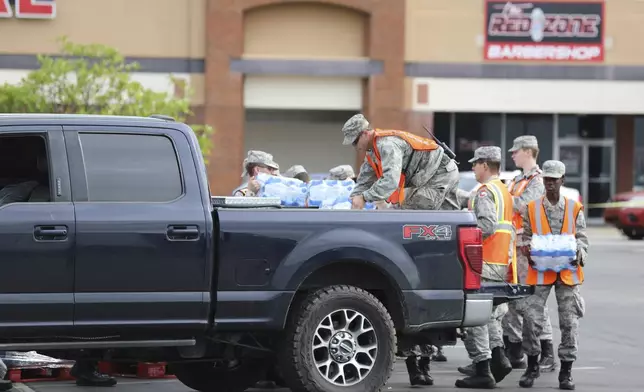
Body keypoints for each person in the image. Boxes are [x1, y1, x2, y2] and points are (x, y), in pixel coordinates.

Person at [517, 160, 588, 390]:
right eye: (546, 179)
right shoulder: (532, 208)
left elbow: (582, 238)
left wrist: (579, 252)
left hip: (567, 272)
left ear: (562, 181)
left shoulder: (574, 207)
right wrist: (527, 248)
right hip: (540, 271)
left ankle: (566, 372)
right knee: (530, 318)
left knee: (569, 322)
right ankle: (532, 365)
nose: (549, 184)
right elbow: (526, 236)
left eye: (554, 180)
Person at [455, 146, 513, 389]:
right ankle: (498, 359)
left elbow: (486, 226)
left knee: (474, 316)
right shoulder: (502, 190)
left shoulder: (485, 192)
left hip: (484, 262)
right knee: (489, 315)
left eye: (475, 164)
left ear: (486, 166)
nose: (472, 167)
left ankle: (482, 368)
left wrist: (463, 227)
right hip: (498, 261)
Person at [502, 136, 556, 372]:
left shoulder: (538, 180)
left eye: (515, 151)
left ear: (527, 151)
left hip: (529, 247)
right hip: (513, 245)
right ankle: (514, 350)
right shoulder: (517, 179)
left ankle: (547, 351)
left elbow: (524, 205)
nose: (512, 155)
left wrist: (500, 196)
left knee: (533, 301)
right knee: (512, 298)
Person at [341, 113, 459, 211]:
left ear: (365, 134)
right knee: (447, 220)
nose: (355, 147)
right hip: (430, 176)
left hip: (439, 173)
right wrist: (355, 198)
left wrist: (364, 197)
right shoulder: (372, 153)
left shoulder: (387, 145)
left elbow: (390, 181)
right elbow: (364, 181)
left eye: (355, 142)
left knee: (412, 215)